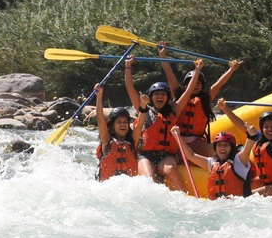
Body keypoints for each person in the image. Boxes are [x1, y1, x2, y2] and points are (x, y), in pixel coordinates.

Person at [124, 54, 203, 192]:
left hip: (167, 156)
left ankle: (183, 198)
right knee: (148, 177)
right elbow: (130, 89)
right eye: (156, 94)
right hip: (146, 155)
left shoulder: (174, 110)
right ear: (151, 96)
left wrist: (197, 70)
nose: (160, 96)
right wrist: (128, 66)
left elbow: (189, 90)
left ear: (167, 98)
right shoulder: (143, 109)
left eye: (163, 94)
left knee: (171, 169)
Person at [158, 42, 242, 157]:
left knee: (215, 152)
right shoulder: (178, 93)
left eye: (199, 83)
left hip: (195, 140)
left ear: (202, 86)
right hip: (176, 137)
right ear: (187, 85)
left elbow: (217, 85)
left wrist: (231, 70)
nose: (196, 85)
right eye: (193, 82)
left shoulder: (205, 98)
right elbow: (170, 75)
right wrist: (163, 56)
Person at [217, 98, 272, 201]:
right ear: (262, 129)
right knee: (240, 189)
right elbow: (240, 124)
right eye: (266, 127)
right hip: (266, 183)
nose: (270, 129)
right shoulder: (259, 138)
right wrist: (225, 109)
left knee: (244, 198)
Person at [171, 124, 257, 200]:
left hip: (238, 206)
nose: (222, 148)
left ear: (232, 148)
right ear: (215, 148)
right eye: (219, 145)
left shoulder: (239, 161)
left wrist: (251, 136)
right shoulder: (212, 163)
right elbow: (191, 155)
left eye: (226, 145)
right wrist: (177, 137)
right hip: (217, 206)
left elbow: (247, 149)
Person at [94, 83, 149, 181]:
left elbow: (140, 124)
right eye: (119, 122)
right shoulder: (106, 140)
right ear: (112, 126)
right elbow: (100, 120)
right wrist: (99, 96)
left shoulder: (133, 140)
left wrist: (143, 105)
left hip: (127, 187)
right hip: (108, 187)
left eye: (125, 122)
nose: (123, 125)